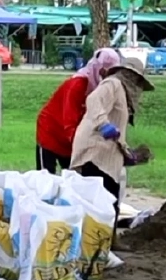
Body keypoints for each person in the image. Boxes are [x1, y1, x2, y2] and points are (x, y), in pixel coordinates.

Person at [70, 56, 155, 207]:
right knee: (99, 207)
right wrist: (103, 124)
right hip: (94, 154)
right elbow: (94, 100)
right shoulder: (113, 84)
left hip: (108, 156)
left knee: (110, 205)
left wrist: (127, 153)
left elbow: (117, 132)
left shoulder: (124, 94)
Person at [34, 47, 120, 173]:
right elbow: (69, 121)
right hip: (51, 131)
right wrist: (83, 147)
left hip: (72, 138)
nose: (108, 76)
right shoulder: (77, 85)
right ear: (98, 67)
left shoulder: (100, 89)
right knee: (45, 179)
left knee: (73, 180)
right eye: (106, 71)